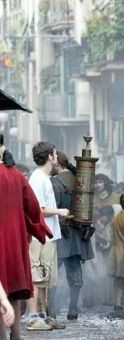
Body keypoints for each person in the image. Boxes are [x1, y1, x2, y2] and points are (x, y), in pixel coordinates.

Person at [0, 136, 53, 339]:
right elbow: (32, 208)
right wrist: (40, 230)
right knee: (12, 291)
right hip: (14, 242)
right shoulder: (15, 174)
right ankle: (15, 336)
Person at [27, 142, 69, 330]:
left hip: (48, 236)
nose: (56, 157)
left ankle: (43, 315)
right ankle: (34, 318)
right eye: (54, 154)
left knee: (45, 278)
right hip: (39, 237)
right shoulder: (37, 179)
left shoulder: (44, 177)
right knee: (37, 277)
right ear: (49, 157)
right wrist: (59, 212)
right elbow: (38, 210)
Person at [49, 151, 94, 320]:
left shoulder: (54, 182)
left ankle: (51, 309)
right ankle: (73, 308)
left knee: (53, 273)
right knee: (75, 272)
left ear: (57, 163)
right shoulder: (80, 180)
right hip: (77, 234)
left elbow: (51, 208)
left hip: (60, 233)